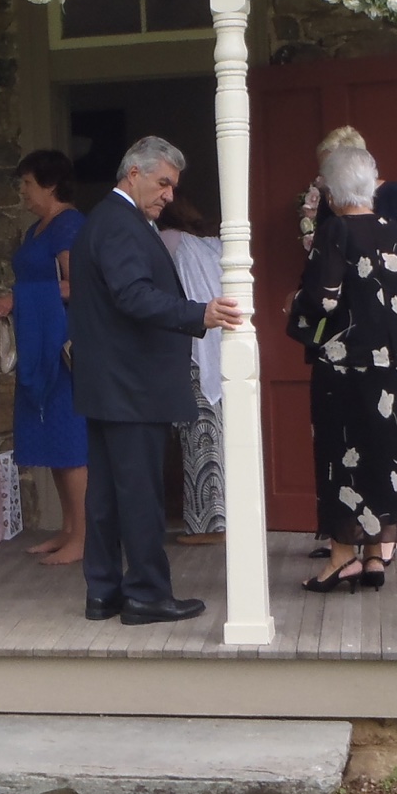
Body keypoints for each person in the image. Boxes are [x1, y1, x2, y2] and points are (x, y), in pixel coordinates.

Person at [69, 137, 242, 626]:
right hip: (132, 385)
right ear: (133, 174)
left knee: (105, 495)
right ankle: (146, 593)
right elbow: (133, 296)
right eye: (162, 182)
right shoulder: (122, 225)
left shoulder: (106, 220)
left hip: (110, 384)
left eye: (173, 186)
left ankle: (103, 592)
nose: (169, 194)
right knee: (139, 492)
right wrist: (199, 313)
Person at [298, 125, 397, 555]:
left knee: (365, 443)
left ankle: (380, 543)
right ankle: (357, 543)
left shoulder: (395, 203)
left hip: (370, 341)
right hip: (360, 341)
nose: (321, 180)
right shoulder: (336, 215)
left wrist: (383, 268)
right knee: (367, 442)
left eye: (327, 170)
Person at [0, 150, 89, 566]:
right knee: (51, 440)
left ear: (49, 184)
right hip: (35, 343)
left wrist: (19, 297)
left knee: (71, 441)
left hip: (62, 348)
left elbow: (76, 286)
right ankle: (67, 529)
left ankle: (84, 537)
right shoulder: (34, 230)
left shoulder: (70, 226)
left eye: (27, 183)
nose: (23, 192)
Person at [158, 195, 226, 546]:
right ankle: (222, 518)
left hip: (194, 347)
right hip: (221, 345)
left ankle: (208, 525)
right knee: (214, 431)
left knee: (198, 433)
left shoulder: (169, 240)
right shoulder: (214, 245)